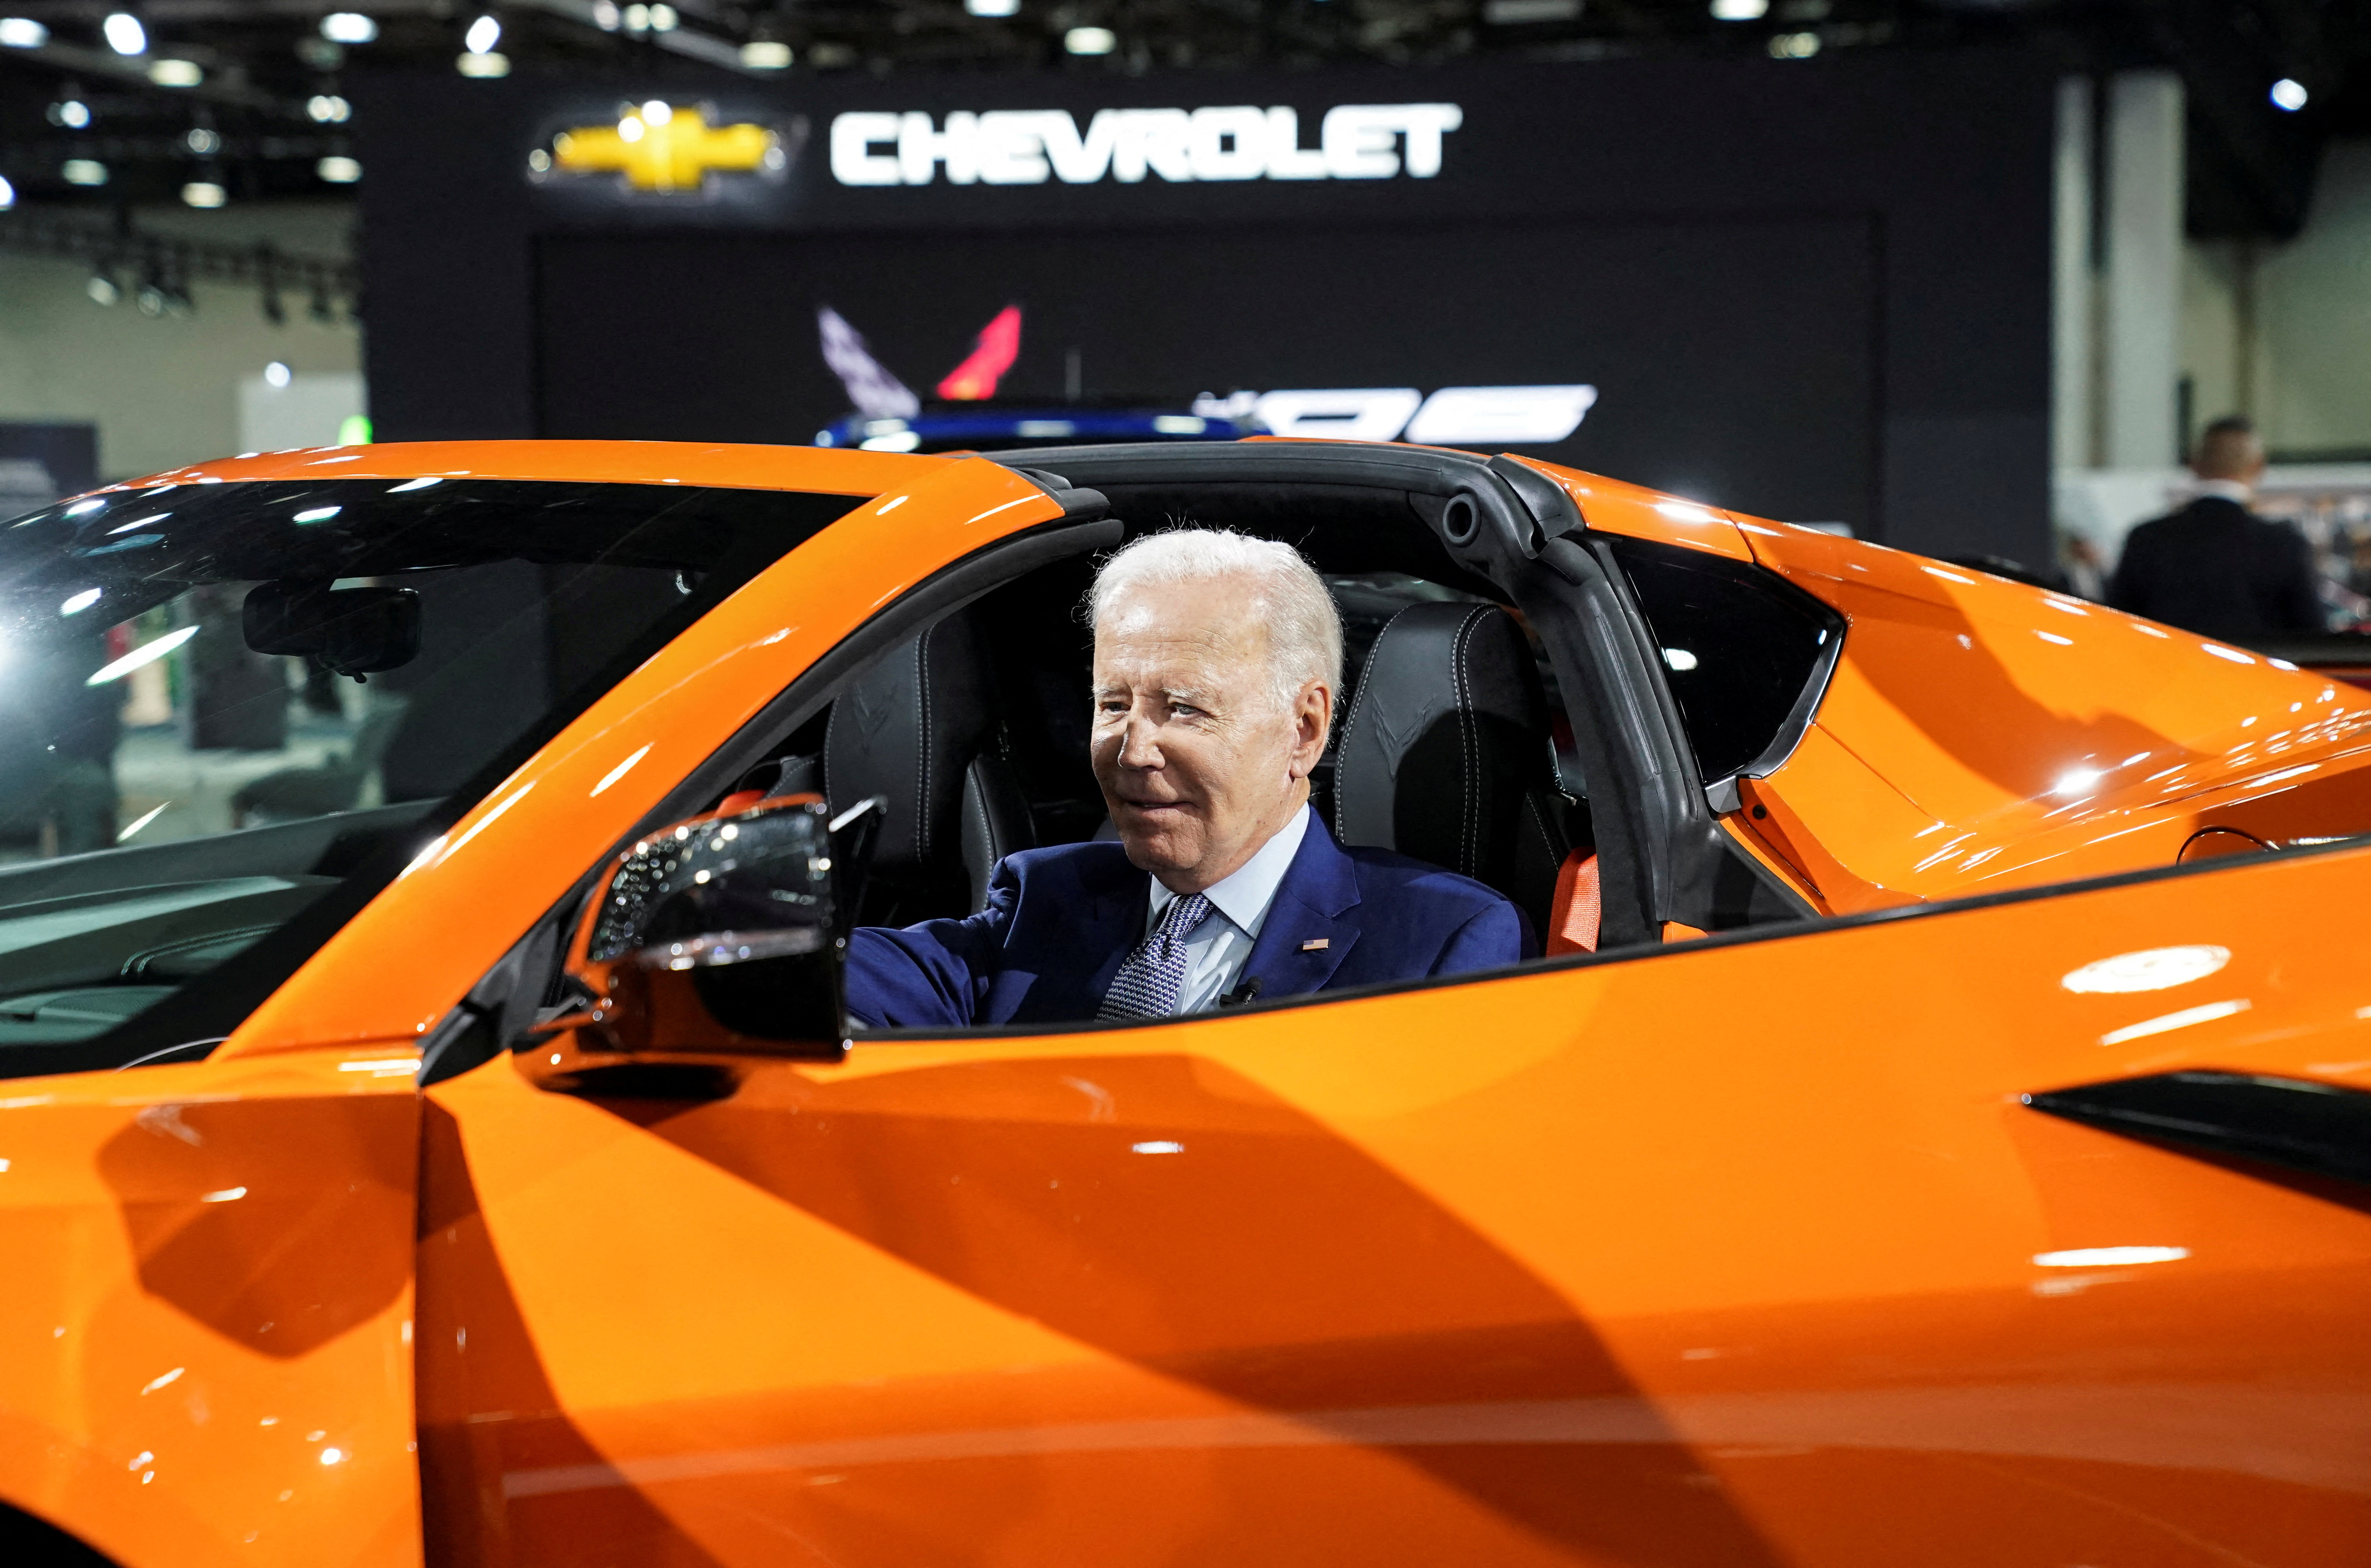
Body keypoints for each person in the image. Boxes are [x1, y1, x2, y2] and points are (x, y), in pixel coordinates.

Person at [845, 529, 1529, 1028]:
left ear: (1304, 729)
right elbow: (824, 969)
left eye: (1184, 708)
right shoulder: (1040, 899)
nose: (1133, 751)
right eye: (1113, 705)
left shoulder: (1445, 940)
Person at [2107, 415, 2325, 640]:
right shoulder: (2283, 543)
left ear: (2195, 464)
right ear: (2258, 466)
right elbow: (2312, 634)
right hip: (2250, 673)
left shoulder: (2147, 538)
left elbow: (2119, 625)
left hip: (2166, 671)